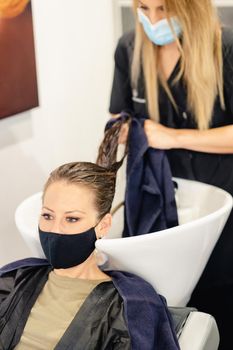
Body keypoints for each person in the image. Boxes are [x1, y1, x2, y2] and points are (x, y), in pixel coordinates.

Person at [109, 1, 233, 349]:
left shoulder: (226, 50)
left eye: (163, 9)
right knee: (160, 303)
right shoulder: (129, 49)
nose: (153, 20)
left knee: (218, 302)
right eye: (144, 8)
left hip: (219, 202)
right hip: (155, 202)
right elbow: (119, 118)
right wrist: (125, 132)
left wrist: (173, 136)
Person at [0, 161, 179, 350]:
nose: (55, 230)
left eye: (72, 219)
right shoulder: (17, 278)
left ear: (103, 225)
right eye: (47, 216)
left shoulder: (129, 305)